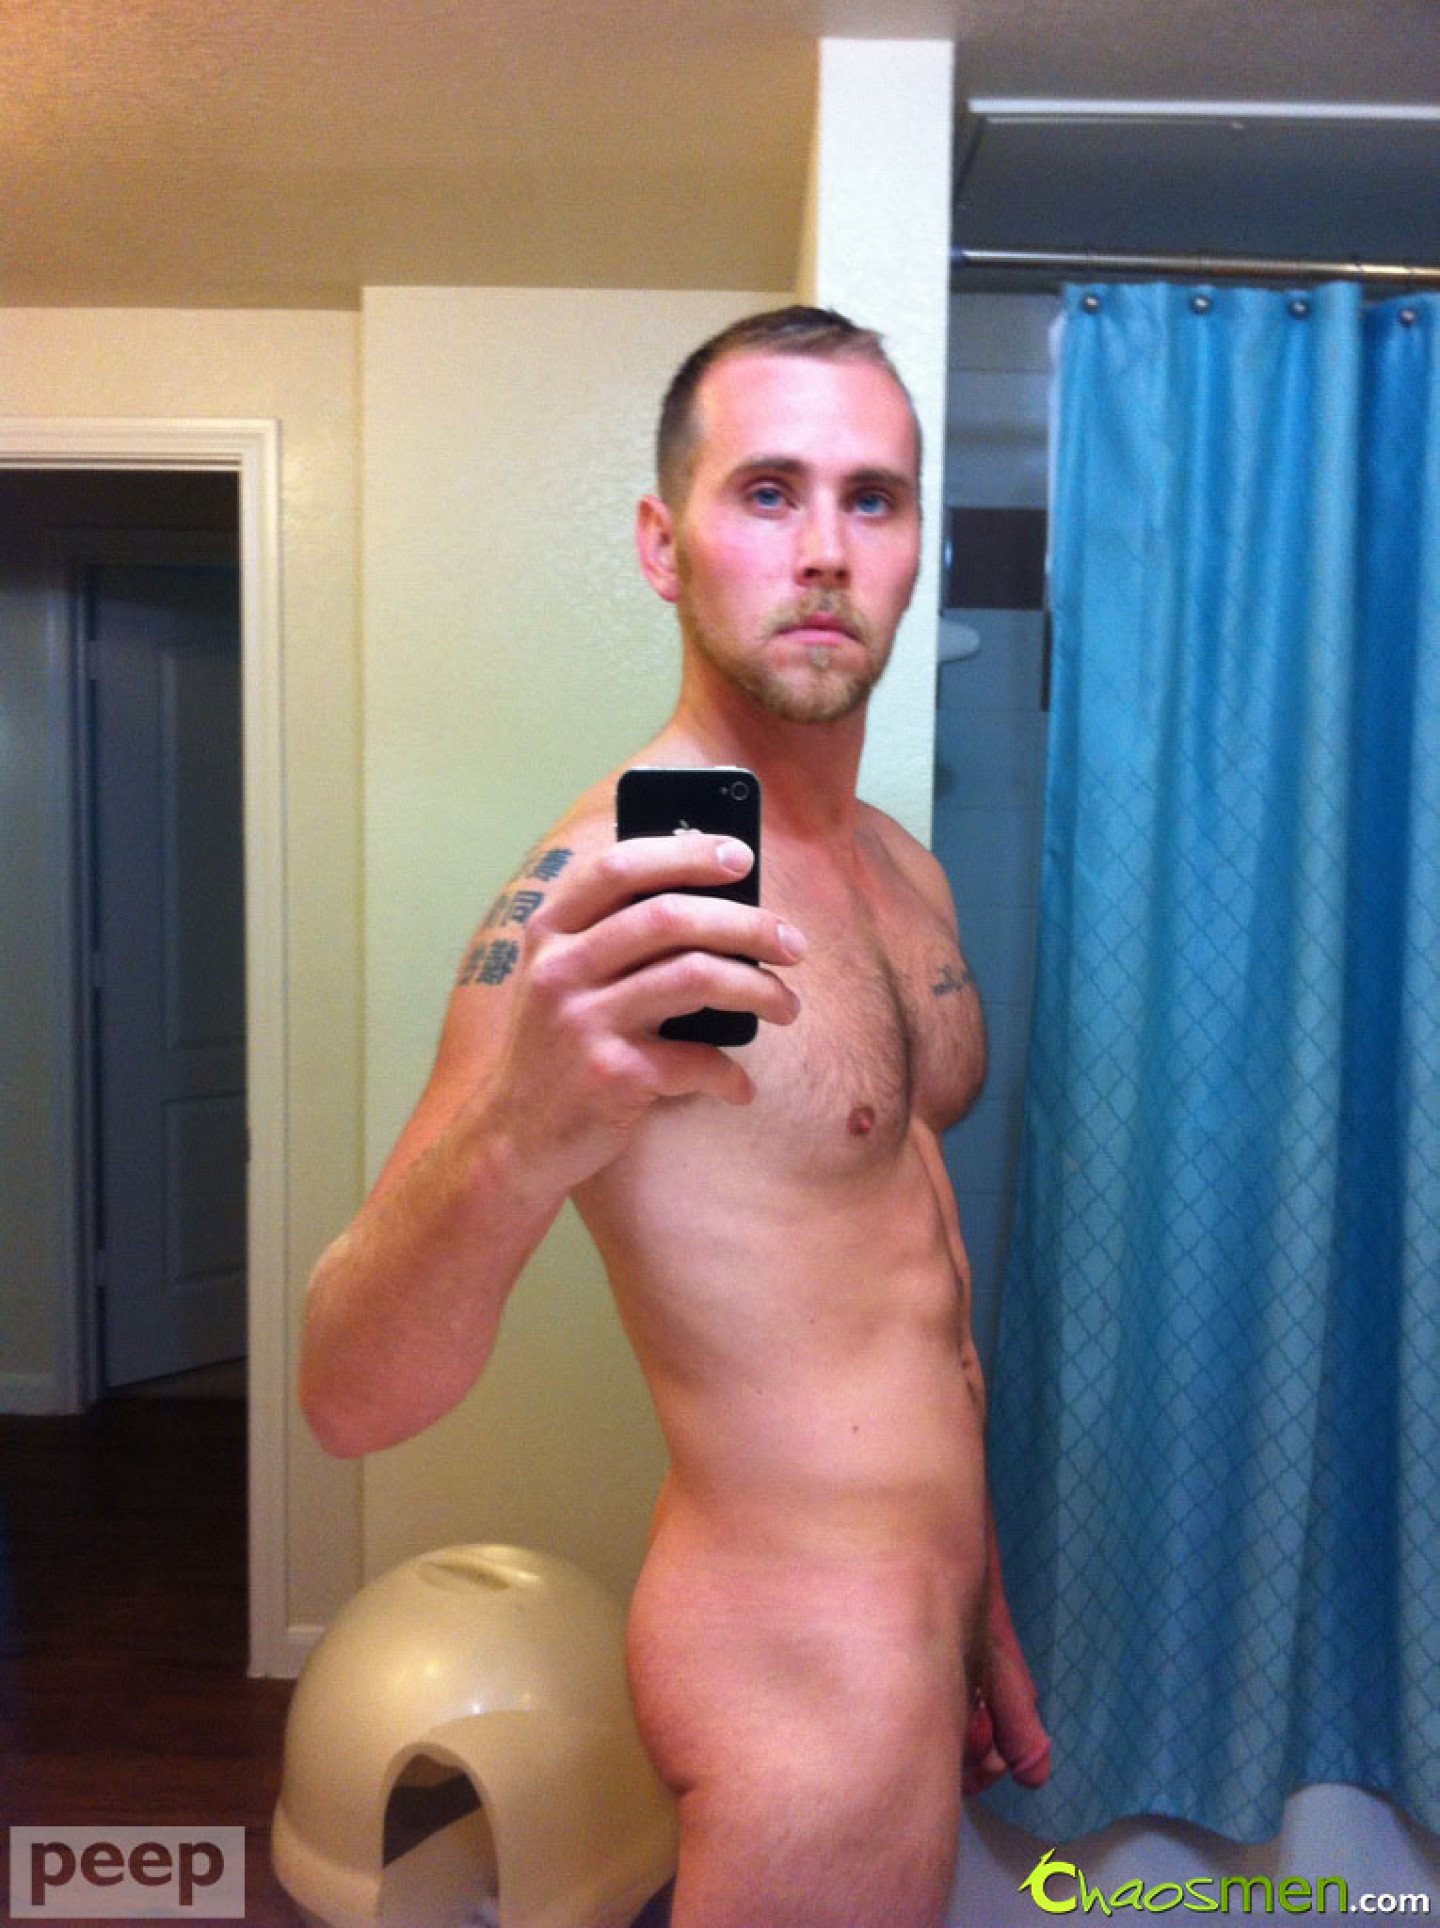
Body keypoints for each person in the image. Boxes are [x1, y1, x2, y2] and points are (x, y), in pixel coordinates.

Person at [299, 306, 1051, 1928]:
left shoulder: (898, 867)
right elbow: (346, 1393)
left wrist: (976, 1602)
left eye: (872, 498)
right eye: (768, 492)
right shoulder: (608, 900)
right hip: (795, 1693)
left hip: (921, 1637)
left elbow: (900, 1285)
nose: (826, 549)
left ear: (918, 548)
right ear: (664, 544)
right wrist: (521, 1128)